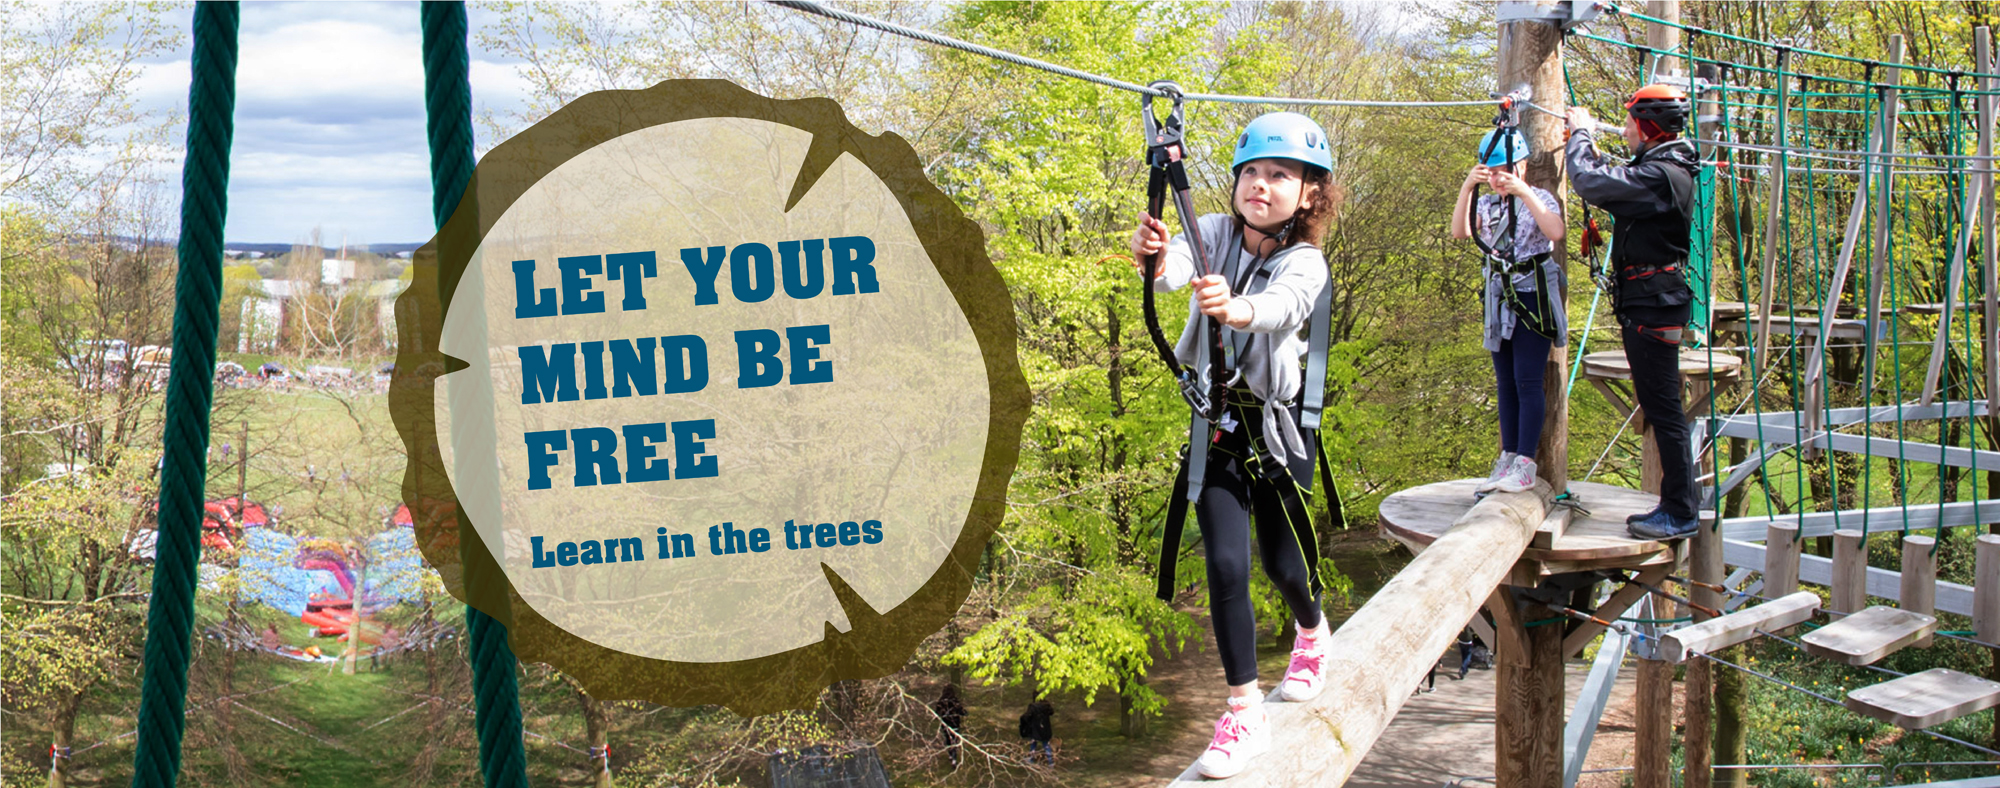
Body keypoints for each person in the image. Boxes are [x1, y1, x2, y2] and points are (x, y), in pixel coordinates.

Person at [1129, 111, 1340, 780]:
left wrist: (1234, 308)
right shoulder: (1213, 232)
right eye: (1251, 170)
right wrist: (1158, 258)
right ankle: (1244, 710)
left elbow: (1280, 307)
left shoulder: (1306, 261)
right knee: (1224, 565)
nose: (1261, 183)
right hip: (1217, 427)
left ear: (1310, 193)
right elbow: (1177, 268)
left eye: (1280, 174)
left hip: (1276, 432)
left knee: (1283, 566)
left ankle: (1311, 630)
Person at [1566, 85, 1702, 540]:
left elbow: (1588, 181)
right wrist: (1593, 148)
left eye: (1628, 125)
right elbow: (1617, 179)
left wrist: (1580, 136)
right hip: (1652, 299)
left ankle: (1680, 511)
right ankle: (1678, 505)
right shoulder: (1664, 168)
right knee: (1662, 408)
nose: (1624, 132)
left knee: (1663, 410)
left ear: (1647, 128)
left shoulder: (1661, 175)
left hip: (1652, 302)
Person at [1450, 127, 1567, 496]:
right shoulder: (1486, 205)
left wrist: (1525, 192)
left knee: (1527, 380)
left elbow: (1555, 230)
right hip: (1499, 298)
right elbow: (1460, 232)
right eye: (1492, 170)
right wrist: (1468, 188)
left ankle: (1525, 461)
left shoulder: (1540, 197)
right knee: (1505, 384)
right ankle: (1508, 455)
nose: (1499, 178)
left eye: (1505, 169)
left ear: (1522, 167)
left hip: (1531, 298)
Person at [934, 685, 965, 767]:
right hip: (955, 723)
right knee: (954, 739)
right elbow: (961, 711)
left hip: (945, 723)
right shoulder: (955, 701)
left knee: (948, 739)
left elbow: (937, 712)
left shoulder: (941, 701)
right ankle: (954, 758)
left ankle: (951, 755)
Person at [1018, 699, 1053, 765]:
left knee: (1033, 743)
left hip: (1036, 729)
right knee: (1046, 745)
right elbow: (1052, 712)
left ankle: (1031, 758)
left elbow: (1026, 716)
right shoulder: (1046, 706)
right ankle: (1050, 761)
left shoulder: (1033, 706)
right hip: (1046, 729)